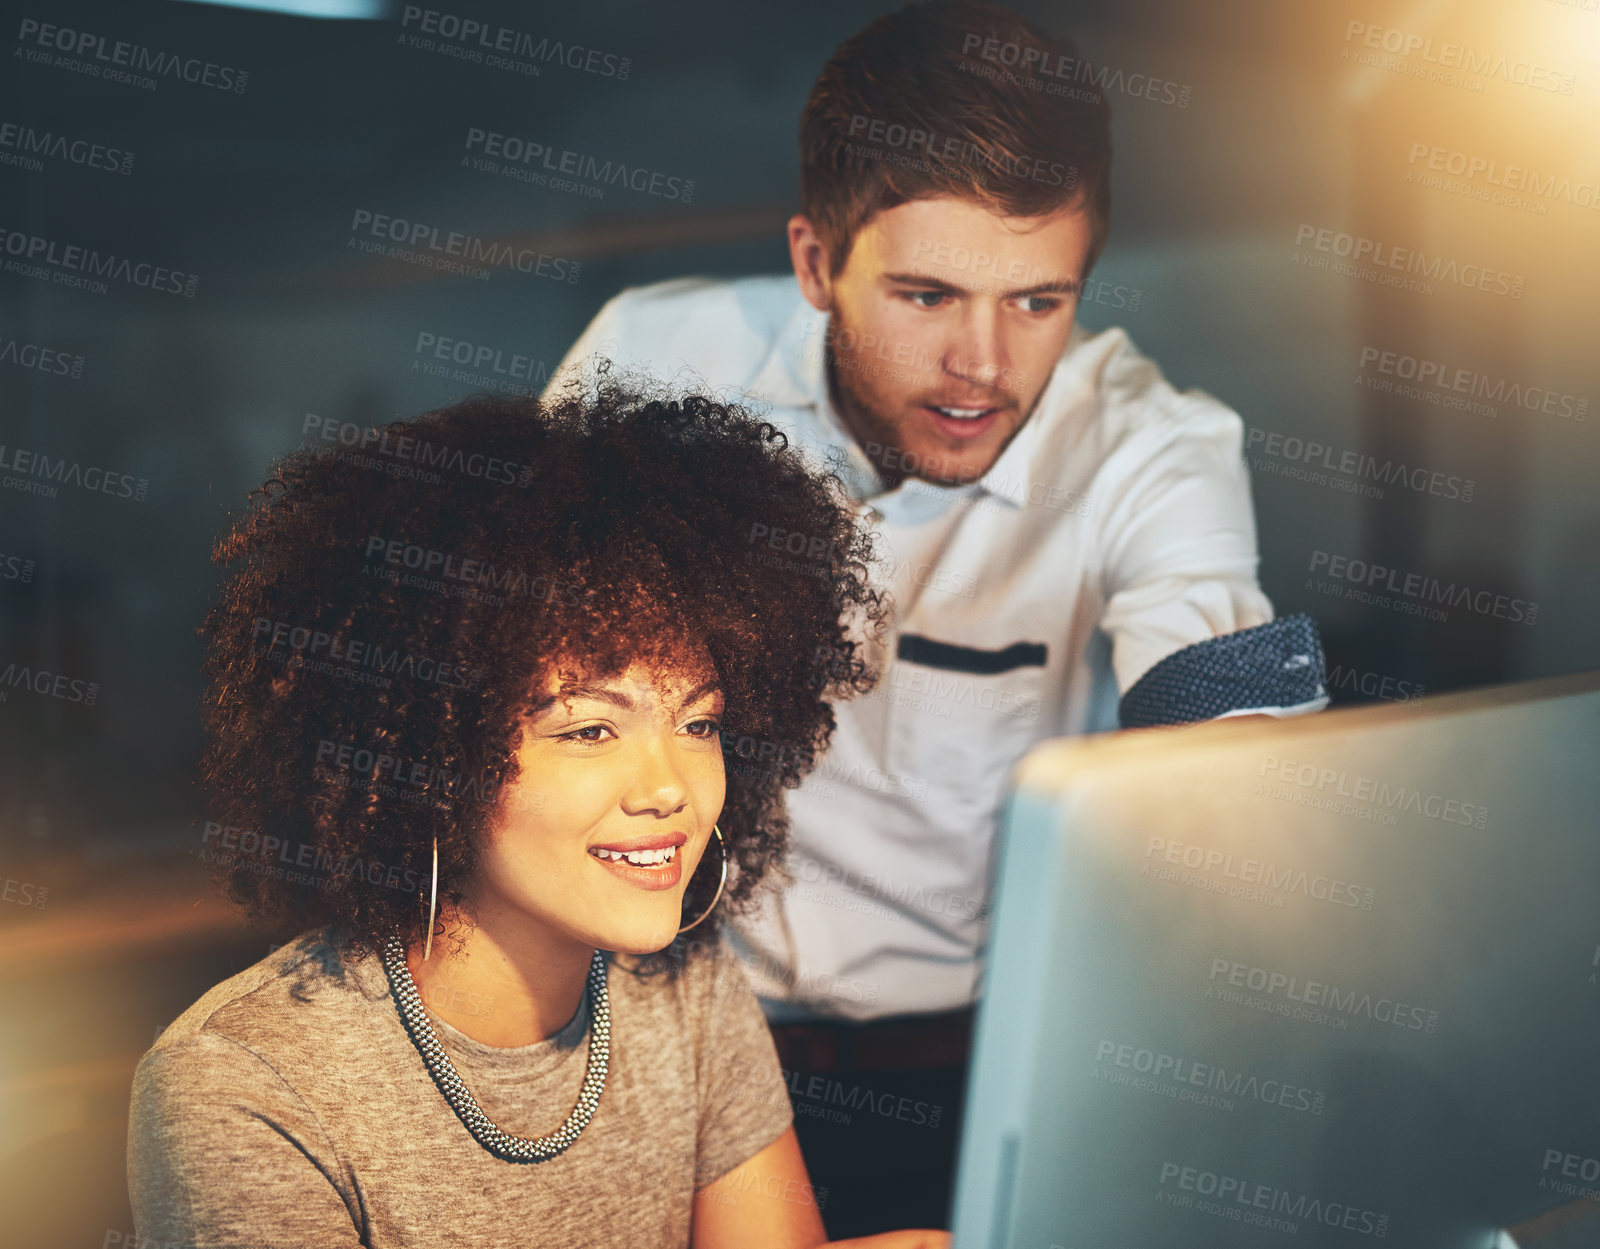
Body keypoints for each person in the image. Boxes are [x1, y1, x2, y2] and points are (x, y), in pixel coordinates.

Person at [545, 0, 1329, 1236]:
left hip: (973, 1075)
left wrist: (1268, 834)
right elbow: (522, 695)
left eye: (1037, 302)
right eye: (925, 296)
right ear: (816, 263)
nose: (982, 366)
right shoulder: (652, 359)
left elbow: (1216, 702)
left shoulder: (1150, 444)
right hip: (662, 1046)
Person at [126, 385, 948, 1249]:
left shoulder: (688, 991)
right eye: (590, 729)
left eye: (698, 723)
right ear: (428, 752)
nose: (668, 787)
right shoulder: (242, 1085)